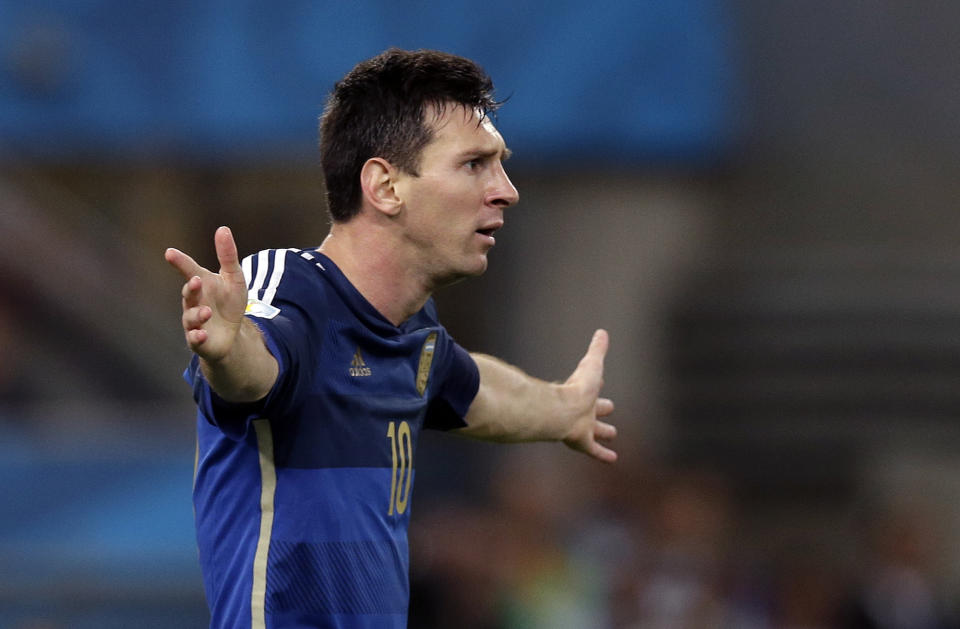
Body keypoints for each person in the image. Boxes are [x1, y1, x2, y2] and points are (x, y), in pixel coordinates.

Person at [164, 48, 618, 629]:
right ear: (385, 187)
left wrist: (563, 410)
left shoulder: (412, 335)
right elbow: (261, 371)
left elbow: (481, 395)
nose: (506, 190)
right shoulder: (291, 289)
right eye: (475, 164)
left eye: (500, 164)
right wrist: (228, 351)